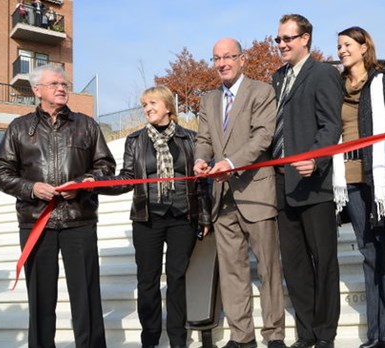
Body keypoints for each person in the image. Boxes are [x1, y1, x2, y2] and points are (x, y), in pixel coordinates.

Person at [0, 64, 115, 347]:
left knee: (86, 298)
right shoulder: (19, 128)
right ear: (37, 90)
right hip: (36, 222)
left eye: (65, 84)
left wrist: (83, 182)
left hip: (79, 221)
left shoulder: (87, 125)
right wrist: (31, 188)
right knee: (40, 299)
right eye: (55, 84)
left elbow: (106, 168)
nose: (62, 88)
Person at [96, 86, 211, 348]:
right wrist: (97, 184)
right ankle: (149, 339)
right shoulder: (135, 140)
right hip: (147, 218)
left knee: (177, 278)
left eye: (152, 103)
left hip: (183, 217)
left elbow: (201, 183)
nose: (147, 108)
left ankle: (178, 340)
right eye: (144, 105)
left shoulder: (191, 139)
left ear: (168, 106)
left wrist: (204, 218)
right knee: (147, 281)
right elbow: (127, 179)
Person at [193, 38, 286, 348]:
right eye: (217, 58)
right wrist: (200, 159)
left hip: (256, 191)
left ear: (242, 59)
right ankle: (241, 336)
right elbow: (204, 139)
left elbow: (263, 137)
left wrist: (230, 163)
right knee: (232, 271)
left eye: (228, 56)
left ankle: (274, 334)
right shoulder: (208, 100)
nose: (222, 63)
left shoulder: (261, 91)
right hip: (223, 197)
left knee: (269, 268)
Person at [333, 26, 385, 348]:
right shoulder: (337, 85)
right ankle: (377, 332)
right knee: (369, 253)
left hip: (379, 176)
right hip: (350, 178)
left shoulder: (382, 81)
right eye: (338, 46)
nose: (342, 50)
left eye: (347, 44)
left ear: (363, 46)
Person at [271, 14, 343, 348]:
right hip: (281, 185)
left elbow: (331, 125)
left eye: (288, 38)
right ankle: (306, 333)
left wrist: (315, 157)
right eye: (279, 39)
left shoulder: (323, 74)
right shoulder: (276, 78)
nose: (282, 44)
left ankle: (326, 334)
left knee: (323, 261)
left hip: (314, 184)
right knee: (296, 265)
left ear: (306, 39)